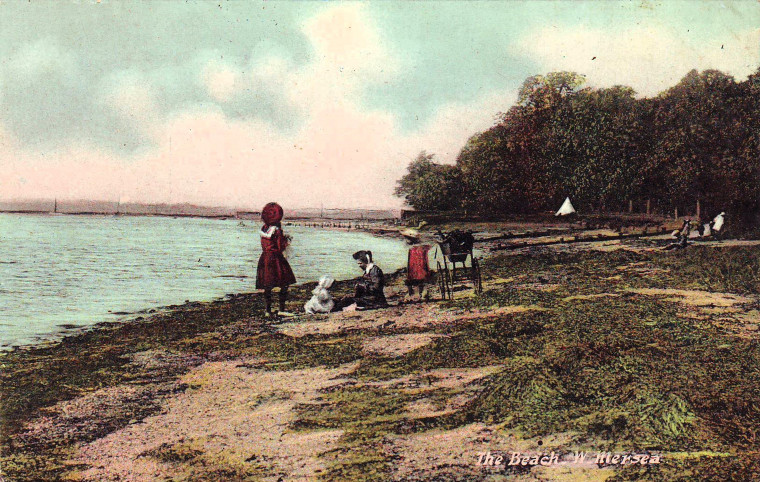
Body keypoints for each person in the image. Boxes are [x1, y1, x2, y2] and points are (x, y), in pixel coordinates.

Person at [256, 202, 296, 317]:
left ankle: (268, 310)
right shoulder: (277, 230)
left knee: (267, 284)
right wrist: (286, 241)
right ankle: (281, 308)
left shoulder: (264, 229)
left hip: (265, 258)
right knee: (285, 282)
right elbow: (279, 247)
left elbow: (265, 244)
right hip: (276, 258)